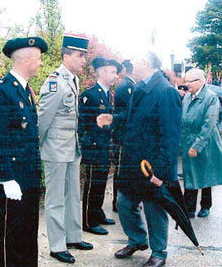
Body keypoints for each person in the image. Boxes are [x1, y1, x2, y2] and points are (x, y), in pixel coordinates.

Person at [97, 51, 182, 267]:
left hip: (152, 165)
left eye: (134, 58)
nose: (130, 62)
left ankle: (159, 252)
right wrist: (113, 119)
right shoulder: (140, 87)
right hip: (133, 160)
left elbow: (172, 136)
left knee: (154, 209)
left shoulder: (165, 91)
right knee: (125, 203)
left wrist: (162, 173)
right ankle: (137, 240)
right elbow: (132, 117)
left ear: (145, 62)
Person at [0, 37, 47, 267]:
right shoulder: (1, 92)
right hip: (13, 180)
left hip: (29, 177)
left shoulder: (25, 91)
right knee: (13, 238)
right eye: (39, 59)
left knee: (29, 236)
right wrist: (6, 177)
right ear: (27, 59)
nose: (41, 64)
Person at [38, 34, 93, 264]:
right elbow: (42, 120)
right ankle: (57, 245)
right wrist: (36, 147)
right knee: (55, 198)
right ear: (66, 55)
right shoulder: (55, 82)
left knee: (74, 196)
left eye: (84, 56)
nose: (84, 61)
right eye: (80, 56)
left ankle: (73, 236)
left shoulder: (73, 79)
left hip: (72, 148)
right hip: (56, 149)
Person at [78, 57, 120, 235]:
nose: (116, 76)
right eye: (112, 72)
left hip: (103, 146)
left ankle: (98, 212)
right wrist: (87, 147)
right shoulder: (91, 95)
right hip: (94, 147)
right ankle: (88, 220)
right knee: (93, 183)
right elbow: (84, 124)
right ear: (101, 72)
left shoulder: (106, 94)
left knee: (101, 182)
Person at [181, 68, 222, 219]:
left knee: (205, 175)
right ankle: (189, 208)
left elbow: (209, 124)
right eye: (186, 81)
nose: (186, 85)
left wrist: (197, 145)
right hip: (187, 139)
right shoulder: (187, 97)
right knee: (189, 174)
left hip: (206, 141)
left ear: (200, 81)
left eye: (190, 81)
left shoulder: (211, 97)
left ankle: (205, 206)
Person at [111, 59, 137, 212]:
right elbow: (130, 112)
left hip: (127, 137)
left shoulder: (130, 85)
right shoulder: (126, 87)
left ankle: (122, 201)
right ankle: (118, 203)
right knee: (121, 171)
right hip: (123, 137)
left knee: (125, 171)